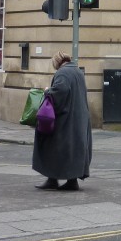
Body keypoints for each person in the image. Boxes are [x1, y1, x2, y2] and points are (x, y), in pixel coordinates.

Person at [32, 51, 92, 191]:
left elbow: (60, 92)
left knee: (53, 147)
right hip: (79, 118)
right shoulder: (77, 71)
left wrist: (48, 91)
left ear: (57, 62)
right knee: (72, 150)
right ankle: (68, 181)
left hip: (66, 120)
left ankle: (53, 179)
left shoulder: (63, 73)